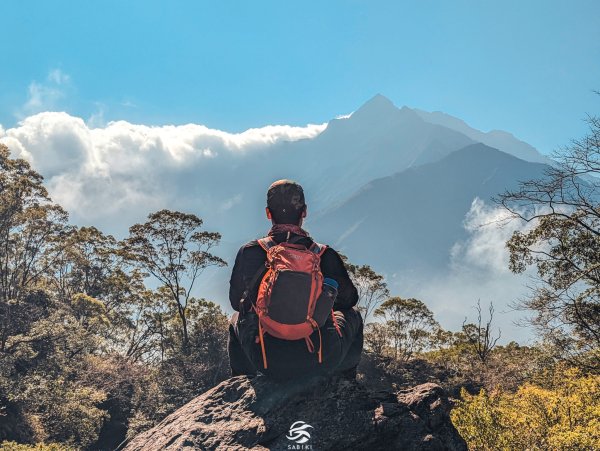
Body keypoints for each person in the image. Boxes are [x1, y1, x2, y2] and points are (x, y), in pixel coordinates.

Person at [228, 179, 364, 381]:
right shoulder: (324, 255)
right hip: (321, 357)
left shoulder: (251, 251)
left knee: (235, 320)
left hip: (266, 360)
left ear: (268, 213)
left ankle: (241, 383)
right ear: (304, 212)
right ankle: (345, 381)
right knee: (353, 315)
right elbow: (349, 300)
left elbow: (236, 301)